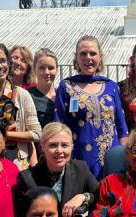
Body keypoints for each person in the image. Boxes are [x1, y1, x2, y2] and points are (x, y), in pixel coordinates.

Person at [54, 35, 128, 179]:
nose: (88, 58)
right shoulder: (66, 87)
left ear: (100, 57)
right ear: (76, 57)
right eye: (83, 53)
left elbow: (121, 128)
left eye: (93, 53)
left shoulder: (111, 87)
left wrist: (124, 159)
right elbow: (59, 126)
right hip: (80, 159)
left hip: (111, 159)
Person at [0, 41, 41, 170]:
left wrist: (3, 134)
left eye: (3, 61)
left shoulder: (22, 95)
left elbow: (37, 134)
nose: (0, 66)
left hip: (17, 166)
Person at [16, 122, 99, 217]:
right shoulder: (27, 178)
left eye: (64, 145)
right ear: (42, 147)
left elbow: (98, 194)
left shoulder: (81, 168)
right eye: (53, 145)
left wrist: (83, 197)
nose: (59, 151)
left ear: (72, 147)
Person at [28, 48, 58, 128]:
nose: (47, 72)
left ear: (57, 70)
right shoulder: (28, 96)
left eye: (51, 68)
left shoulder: (63, 95)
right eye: (42, 68)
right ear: (34, 69)